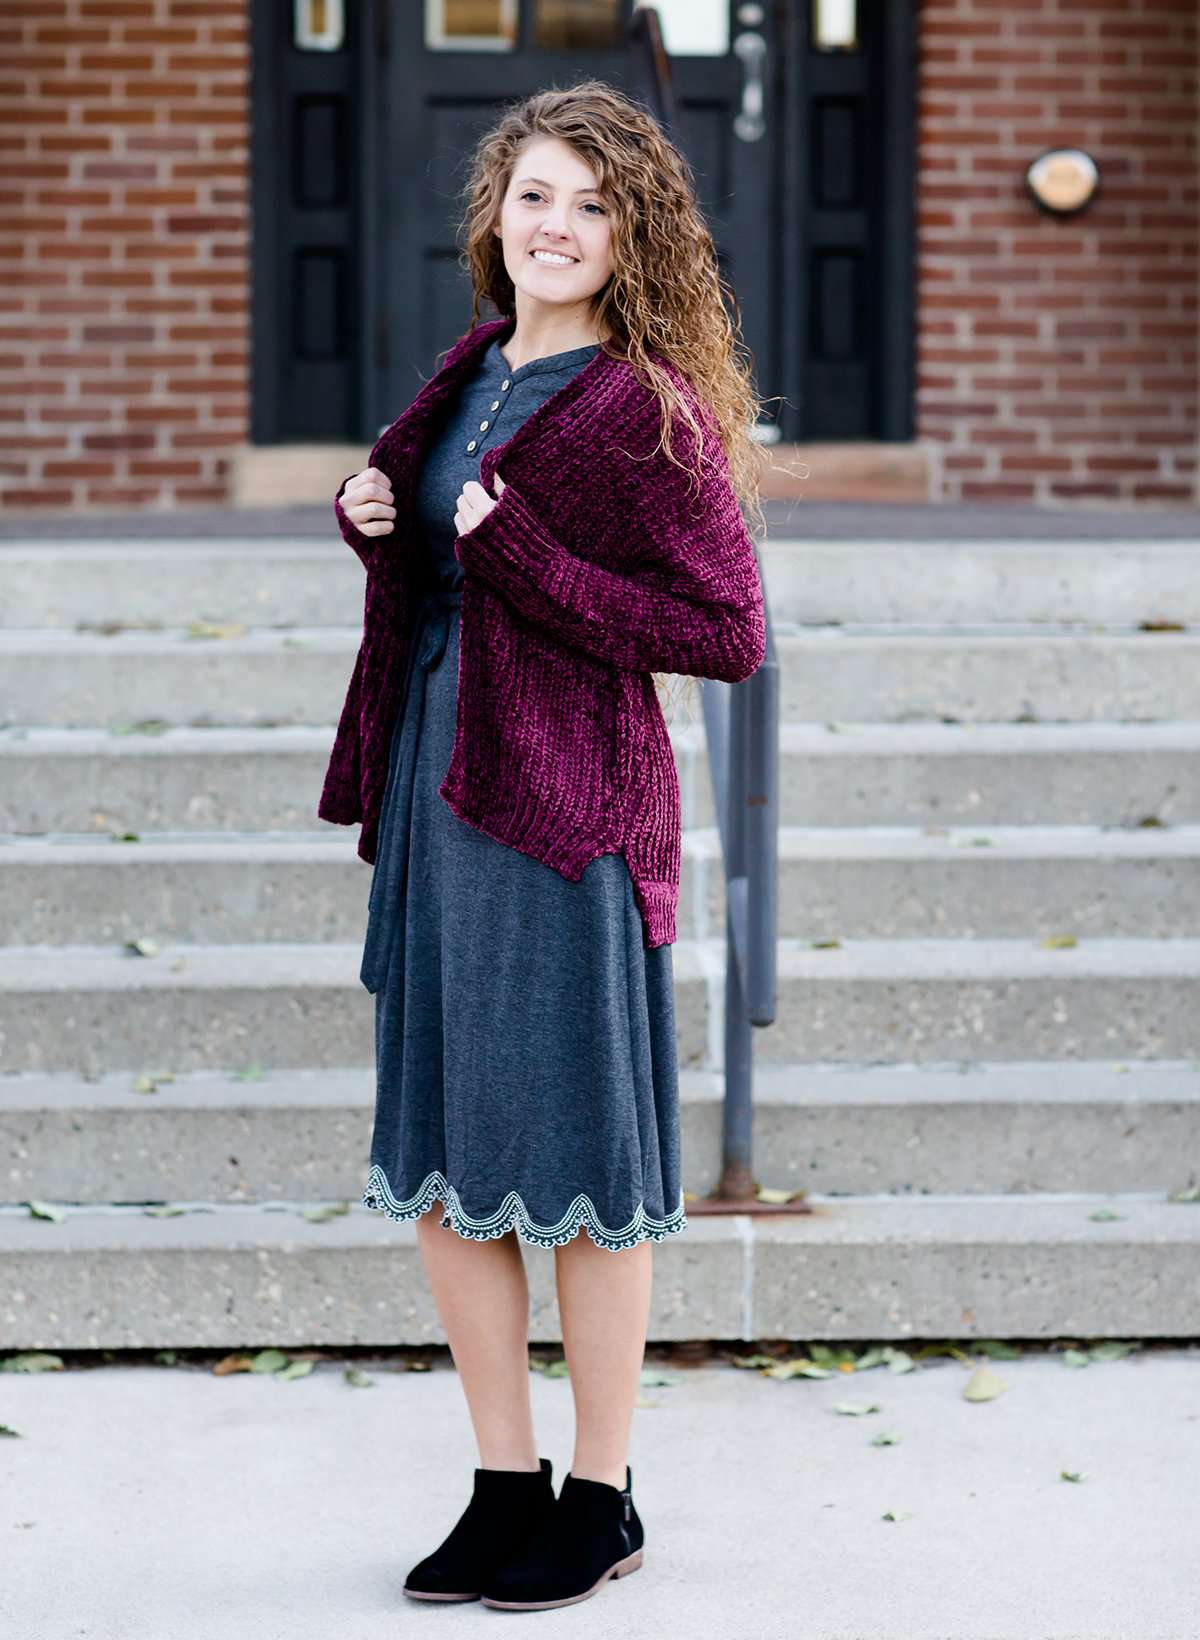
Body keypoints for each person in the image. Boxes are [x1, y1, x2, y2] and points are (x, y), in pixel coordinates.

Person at [326, 79, 767, 1612]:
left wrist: (524, 556)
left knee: (582, 1157)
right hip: (437, 798)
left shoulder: (644, 412)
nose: (556, 224)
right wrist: (379, 515)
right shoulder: (471, 377)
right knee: (448, 1154)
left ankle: (601, 1492)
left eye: (589, 202)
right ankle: (500, 1477)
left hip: (564, 809)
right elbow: (446, 567)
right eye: (534, 196)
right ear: (494, 217)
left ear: (630, 232)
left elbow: (727, 631)